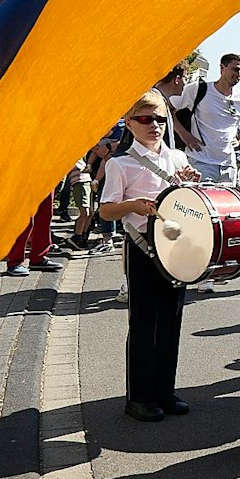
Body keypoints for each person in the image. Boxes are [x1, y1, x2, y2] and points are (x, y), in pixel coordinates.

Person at [98, 90, 203, 422]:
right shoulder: (121, 164)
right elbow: (106, 211)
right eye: (145, 119)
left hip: (175, 245)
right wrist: (132, 206)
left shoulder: (176, 158)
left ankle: (165, 391)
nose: (154, 125)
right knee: (144, 322)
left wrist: (193, 183)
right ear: (129, 123)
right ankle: (139, 396)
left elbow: (189, 200)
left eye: (160, 119)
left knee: (171, 320)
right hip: (142, 245)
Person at [172, 53, 240, 183]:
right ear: (222, 68)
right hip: (201, 162)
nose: (238, 74)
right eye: (235, 69)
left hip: (228, 165)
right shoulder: (198, 89)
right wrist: (185, 135)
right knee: (201, 202)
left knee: (230, 203)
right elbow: (168, 110)